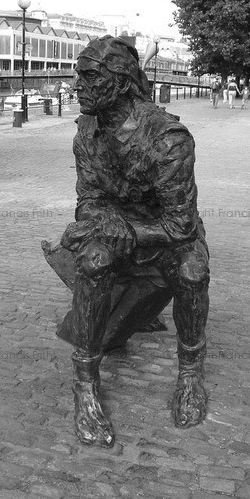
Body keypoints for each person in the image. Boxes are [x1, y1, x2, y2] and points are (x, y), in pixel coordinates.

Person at [42, 36, 210, 448]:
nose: (76, 84)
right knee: (95, 263)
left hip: (165, 233)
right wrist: (101, 221)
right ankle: (85, 386)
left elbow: (180, 224)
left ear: (118, 82)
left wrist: (127, 230)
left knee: (191, 271)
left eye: (88, 76)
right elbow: (89, 199)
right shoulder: (87, 130)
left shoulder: (168, 138)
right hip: (115, 225)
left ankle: (189, 375)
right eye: (78, 75)